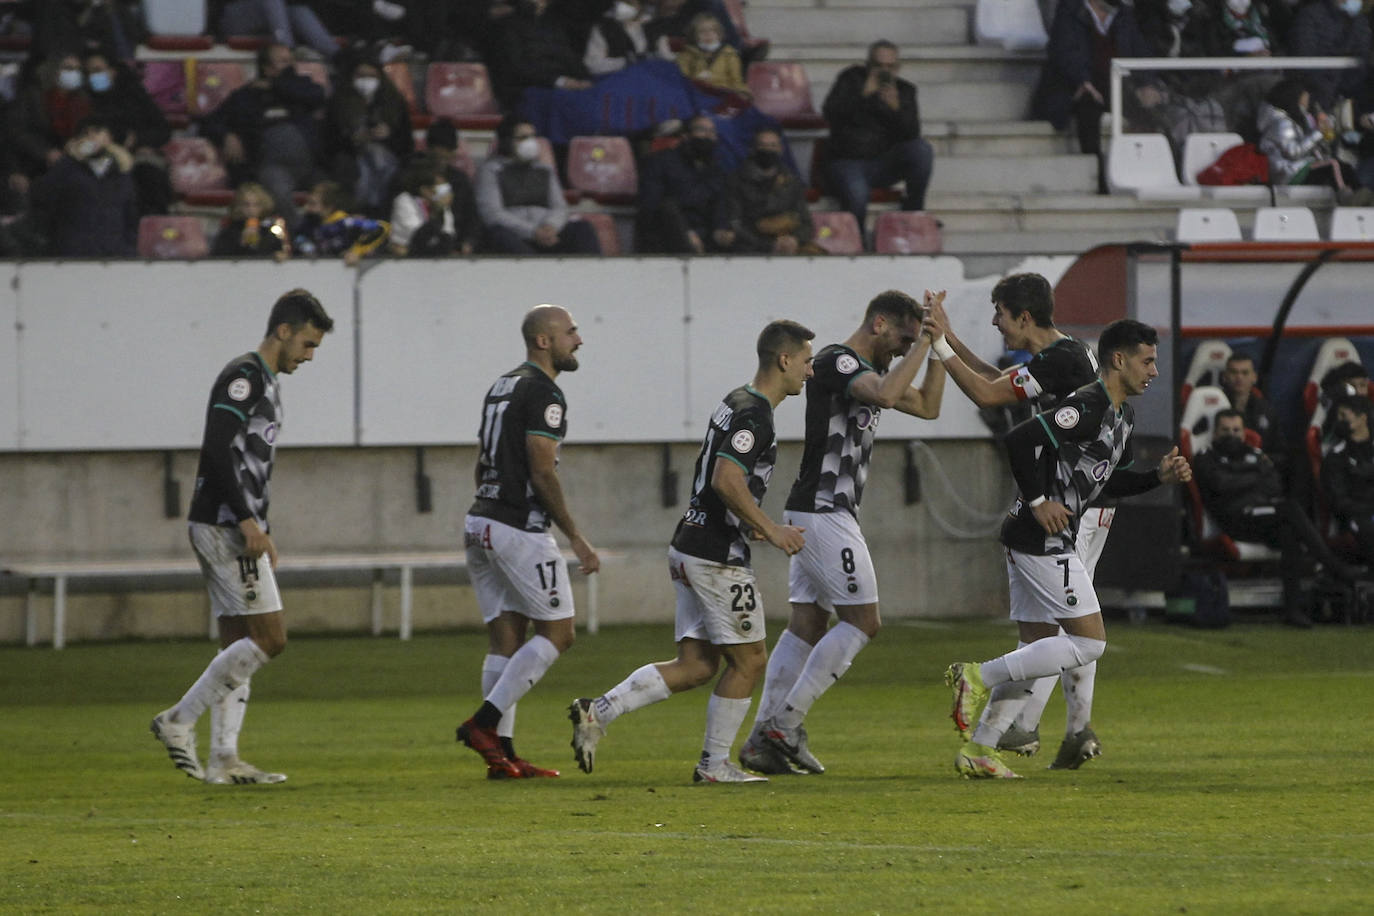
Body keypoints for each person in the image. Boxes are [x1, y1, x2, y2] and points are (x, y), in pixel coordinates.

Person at [944, 319, 1192, 778]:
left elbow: (1105, 480)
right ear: (1119, 359)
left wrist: (1157, 477)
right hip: (1041, 540)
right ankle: (975, 676)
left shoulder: (1122, 415)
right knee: (1089, 641)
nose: (1154, 371)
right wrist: (1039, 502)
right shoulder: (1088, 405)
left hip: (1042, 538)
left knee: (1037, 645)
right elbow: (1018, 439)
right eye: (1148, 360)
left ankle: (980, 750)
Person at [569, 320, 814, 783]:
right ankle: (714, 765)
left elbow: (719, 482)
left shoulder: (734, 400)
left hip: (690, 543)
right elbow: (726, 479)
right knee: (751, 660)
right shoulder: (755, 415)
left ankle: (597, 711)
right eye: (806, 361)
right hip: (715, 556)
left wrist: (750, 523)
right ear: (784, 361)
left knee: (698, 665)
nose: (810, 371)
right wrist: (771, 528)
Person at [738, 292, 944, 776]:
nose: (903, 348)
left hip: (825, 510)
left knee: (807, 624)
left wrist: (938, 347)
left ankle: (761, 741)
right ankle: (784, 726)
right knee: (863, 621)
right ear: (878, 323)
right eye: (902, 338)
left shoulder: (871, 369)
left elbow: (929, 407)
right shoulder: (835, 361)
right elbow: (889, 395)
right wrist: (925, 343)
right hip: (823, 511)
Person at [151, 289, 334, 785]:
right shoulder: (245, 376)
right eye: (308, 344)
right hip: (223, 523)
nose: (310, 355)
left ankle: (224, 760)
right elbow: (215, 448)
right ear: (283, 331)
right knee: (270, 638)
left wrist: (260, 520)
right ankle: (178, 721)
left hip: (229, 522)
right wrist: (246, 520)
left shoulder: (266, 381)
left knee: (237, 643)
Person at [921, 272, 1104, 760]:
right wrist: (948, 336)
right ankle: (993, 742)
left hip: (1073, 505)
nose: (995, 323)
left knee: (1078, 633)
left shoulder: (1062, 360)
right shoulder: (1062, 356)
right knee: (1044, 634)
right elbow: (993, 380)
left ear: (1025, 316)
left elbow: (986, 394)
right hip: (1062, 502)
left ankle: (1015, 711)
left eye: (1000, 313)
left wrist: (940, 348)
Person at [456, 305, 602, 779]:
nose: (578, 340)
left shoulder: (501, 385)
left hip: (480, 521)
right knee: (559, 633)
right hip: (518, 527)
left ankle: (502, 754)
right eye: (571, 332)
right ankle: (484, 725)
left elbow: (482, 460)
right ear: (544, 341)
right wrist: (576, 537)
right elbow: (542, 470)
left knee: (506, 637)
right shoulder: (545, 392)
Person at [1195, 408, 1362, 627]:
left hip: (1262, 514)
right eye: (1225, 430)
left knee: (1289, 533)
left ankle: (1292, 610)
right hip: (1235, 518)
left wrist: (1240, 474)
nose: (1231, 435)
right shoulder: (1206, 456)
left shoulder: (1254, 454)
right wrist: (1254, 474)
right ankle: (1333, 566)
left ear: (1244, 432)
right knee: (1290, 508)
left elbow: (1273, 483)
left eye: (1236, 430)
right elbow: (1221, 484)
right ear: (1215, 433)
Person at [199, 43, 327, 232]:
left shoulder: (304, 87)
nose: (291, 66)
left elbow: (317, 96)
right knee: (278, 193)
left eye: (291, 61)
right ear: (267, 68)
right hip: (273, 167)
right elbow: (210, 123)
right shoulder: (245, 96)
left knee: (333, 193)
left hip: (311, 165)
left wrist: (276, 85)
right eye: (283, 62)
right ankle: (298, 239)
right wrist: (227, 135)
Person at [820, 40, 934, 244]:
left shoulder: (905, 90)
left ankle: (912, 212)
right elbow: (831, 113)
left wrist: (896, 109)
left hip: (883, 163)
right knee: (857, 193)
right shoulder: (850, 79)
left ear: (897, 68)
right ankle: (857, 240)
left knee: (922, 150)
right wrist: (863, 94)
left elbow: (912, 134)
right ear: (868, 64)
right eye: (879, 66)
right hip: (847, 160)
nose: (884, 71)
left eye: (890, 67)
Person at [475, 117, 600, 255]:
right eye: (523, 138)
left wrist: (550, 226)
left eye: (532, 137)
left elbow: (559, 207)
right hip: (517, 236)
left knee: (582, 229)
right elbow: (493, 214)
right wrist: (533, 232)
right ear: (506, 141)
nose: (530, 142)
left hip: (549, 233)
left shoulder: (545, 170)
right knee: (499, 235)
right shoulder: (490, 171)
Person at [28, 114, 137, 257]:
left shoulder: (121, 174)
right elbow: (42, 196)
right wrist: (68, 160)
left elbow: (130, 216)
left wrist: (127, 249)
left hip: (113, 254)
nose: (90, 137)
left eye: (97, 131)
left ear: (109, 137)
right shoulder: (68, 169)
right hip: (72, 253)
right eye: (85, 133)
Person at [325, 56, 414, 216]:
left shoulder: (394, 102)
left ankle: (379, 215)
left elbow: (406, 144)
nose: (366, 81)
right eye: (361, 76)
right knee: (360, 171)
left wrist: (388, 135)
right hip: (350, 157)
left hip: (388, 158)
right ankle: (361, 213)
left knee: (386, 167)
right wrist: (353, 139)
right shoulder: (339, 103)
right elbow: (328, 142)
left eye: (371, 76)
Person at [635, 113, 731, 253]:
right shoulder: (660, 162)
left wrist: (721, 229)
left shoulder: (716, 170)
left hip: (706, 238)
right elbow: (652, 206)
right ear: (685, 136)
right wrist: (686, 232)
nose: (708, 135)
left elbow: (720, 205)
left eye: (712, 132)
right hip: (667, 236)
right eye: (702, 130)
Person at [1256, 78, 1361, 198]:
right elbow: (1293, 152)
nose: (1307, 100)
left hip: (1299, 167)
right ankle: (1348, 199)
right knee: (1333, 165)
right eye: (1304, 96)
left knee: (1345, 167)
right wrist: (1318, 133)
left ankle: (1362, 195)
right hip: (1289, 173)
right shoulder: (1281, 124)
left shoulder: (1299, 119)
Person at [721, 127, 816, 254]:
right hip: (750, 248)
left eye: (773, 145)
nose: (768, 150)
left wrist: (795, 239)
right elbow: (734, 223)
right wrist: (768, 246)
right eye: (763, 145)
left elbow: (806, 223)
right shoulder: (736, 181)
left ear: (781, 150)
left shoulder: (792, 182)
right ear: (753, 149)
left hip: (787, 245)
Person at [1288, 0, 1370, 115]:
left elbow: (1363, 58)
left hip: (1350, 94)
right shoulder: (1310, 16)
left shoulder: (1359, 21)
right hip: (1316, 91)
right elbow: (1305, 59)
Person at [1323, 395, 1374, 566]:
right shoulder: (1336, 456)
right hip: (1357, 517)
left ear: (1362, 418)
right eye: (1338, 416)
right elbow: (1340, 502)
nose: (1339, 421)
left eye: (1344, 416)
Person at [291, 179, 390, 265]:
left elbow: (383, 227)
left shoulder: (346, 222)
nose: (307, 208)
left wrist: (357, 251)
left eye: (313, 204)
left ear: (329, 207)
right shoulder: (309, 223)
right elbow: (298, 238)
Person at [420, 119, 481, 255]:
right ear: (428, 149)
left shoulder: (460, 180)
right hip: (419, 247)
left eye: (447, 151)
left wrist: (468, 242)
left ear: (453, 152)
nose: (442, 156)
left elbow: (472, 219)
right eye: (437, 151)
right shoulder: (411, 178)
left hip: (455, 247)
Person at [212, 0, 340, 61]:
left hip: (272, 21)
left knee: (299, 10)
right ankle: (284, 48)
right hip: (232, 19)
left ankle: (339, 56)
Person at [1218, 352, 1285, 458]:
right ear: (1224, 376)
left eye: (1245, 373)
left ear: (1254, 377)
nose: (1239, 377)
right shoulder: (1214, 407)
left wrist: (1264, 460)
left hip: (1256, 470)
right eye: (1234, 372)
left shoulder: (1267, 411)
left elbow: (1280, 452)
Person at [388, 157, 459, 257]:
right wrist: (434, 214)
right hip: (403, 259)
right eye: (439, 187)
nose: (445, 193)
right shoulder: (404, 200)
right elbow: (418, 238)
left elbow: (448, 236)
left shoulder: (442, 207)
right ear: (425, 190)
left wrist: (439, 211)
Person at [584, 0, 674, 76]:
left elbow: (669, 57)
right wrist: (625, 62)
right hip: (617, 81)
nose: (623, 6)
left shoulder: (654, 27)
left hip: (650, 81)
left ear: (640, 5)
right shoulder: (603, 28)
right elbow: (592, 65)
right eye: (620, 2)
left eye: (629, 2)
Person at [676, 13, 748, 96]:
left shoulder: (729, 54)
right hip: (696, 95)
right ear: (694, 35)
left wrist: (743, 94)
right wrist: (696, 80)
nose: (708, 34)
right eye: (702, 31)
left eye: (713, 30)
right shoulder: (687, 54)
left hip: (722, 95)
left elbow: (737, 82)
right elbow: (681, 79)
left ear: (719, 34)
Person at [211, 181, 290, 258]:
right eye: (246, 205)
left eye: (256, 205)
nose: (251, 210)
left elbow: (281, 250)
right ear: (239, 206)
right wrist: (240, 243)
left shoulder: (271, 229)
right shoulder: (231, 229)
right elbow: (218, 256)